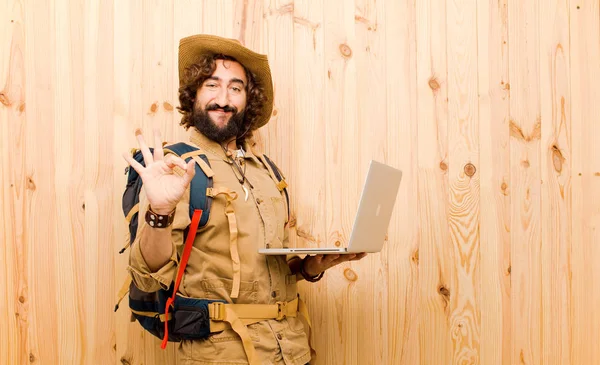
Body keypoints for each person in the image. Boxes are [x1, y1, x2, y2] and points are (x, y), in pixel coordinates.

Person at [122, 34, 366, 365]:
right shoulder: (173, 168)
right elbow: (147, 276)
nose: (223, 99)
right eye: (211, 85)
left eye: (235, 88)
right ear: (193, 93)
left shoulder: (268, 172)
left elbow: (263, 271)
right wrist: (160, 211)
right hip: (223, 355)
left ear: (247, 101)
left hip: (292, 350)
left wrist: (310, 267)